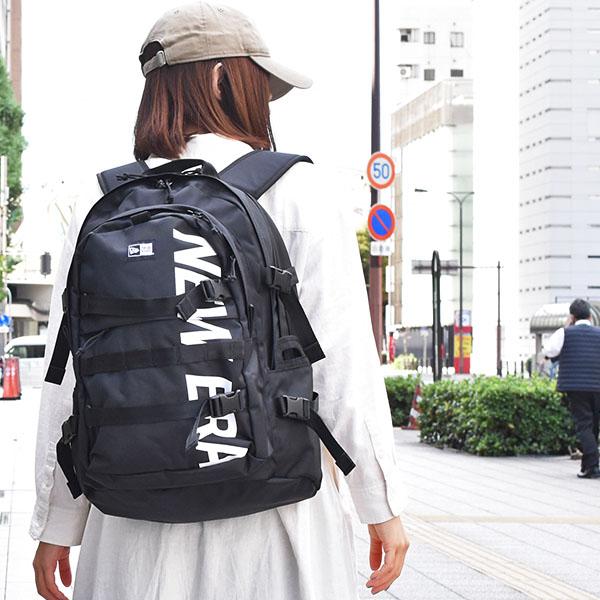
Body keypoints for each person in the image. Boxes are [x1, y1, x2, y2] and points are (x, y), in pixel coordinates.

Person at [30, 4, 410, 599]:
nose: (264, 103)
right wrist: (379, 503)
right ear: (219, 79)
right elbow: (341, 362)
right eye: (258, 83)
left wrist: (58, 523)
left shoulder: (98, 202)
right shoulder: (298, 190)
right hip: (274, 523)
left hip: (132, 527)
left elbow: (71, 378)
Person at [543, 298, 600, 479]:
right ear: (590, 316)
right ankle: (588, 466)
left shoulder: (564, 333)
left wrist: (566, 326)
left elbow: (549, 351)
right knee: (594, 425)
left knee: (584, 424)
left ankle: (593, 465)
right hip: (598, 385)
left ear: (572, 317)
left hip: (576, 386)